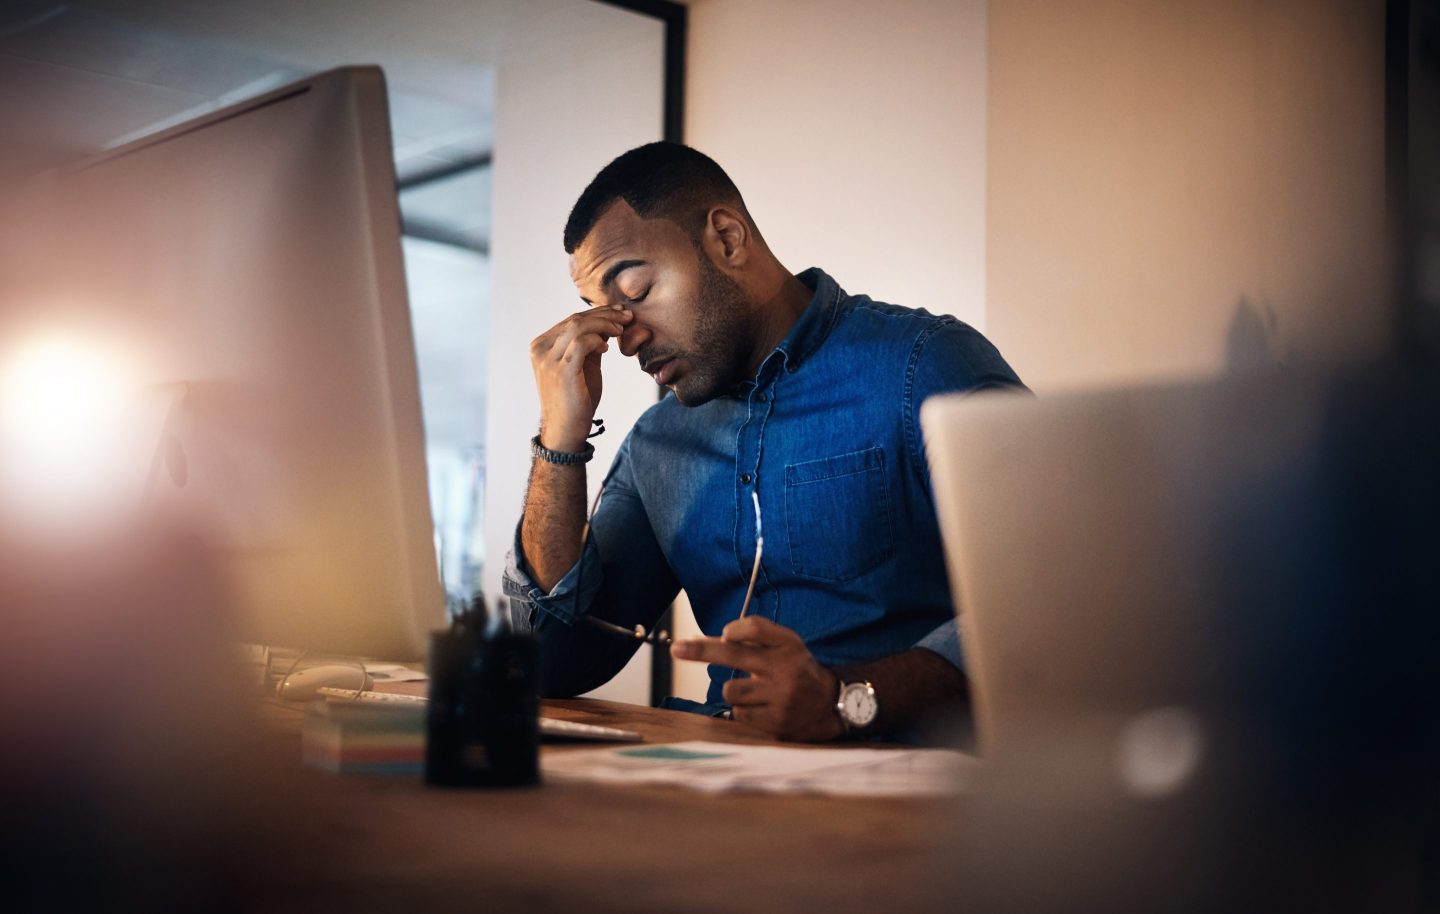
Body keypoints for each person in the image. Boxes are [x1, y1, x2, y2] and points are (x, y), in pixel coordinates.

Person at [503, 142, 1026, 742]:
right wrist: (558, 440)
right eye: (603, 313)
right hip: (722, 788)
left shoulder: (923, 366)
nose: (625, 340)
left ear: (726, 238)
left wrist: (845, 699)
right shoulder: (659, 443)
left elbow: (1051, 596)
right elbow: (553, 663)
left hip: (904, 798)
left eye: (638, 292)